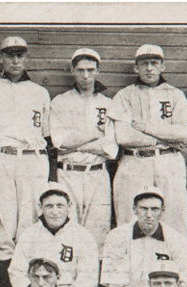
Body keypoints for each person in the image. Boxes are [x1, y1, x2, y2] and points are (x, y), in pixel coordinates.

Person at [0, 36, 52, 287]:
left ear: (26, 58)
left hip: (33, 158)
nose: (15, 60)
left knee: (31, 223)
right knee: (2, 226)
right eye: (10, 55)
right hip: (2, 158)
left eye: (20, 55)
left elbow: (46, 134)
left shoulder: (39, 92)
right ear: (1, 58)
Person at [107, 44, 187, 236]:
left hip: (168, 161)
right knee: (130, 218)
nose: (149, 68)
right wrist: (166, 137)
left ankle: (174, 266)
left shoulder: (174, 95)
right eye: (144, 63)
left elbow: (183, 134)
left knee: (173, 217)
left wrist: (146, 128)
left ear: (162, 67)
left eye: (154, 63)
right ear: (136, 68)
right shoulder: (124, 95)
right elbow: (123, 137)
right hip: (134, 162)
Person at [50, 48, 118, 250]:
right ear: (73, 70)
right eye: (80, 70)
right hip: (68, 173)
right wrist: (95, 134)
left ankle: (92, 281)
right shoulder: (60, 102)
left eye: (90, 70)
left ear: (98, 70)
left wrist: (77, 142)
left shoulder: (107, 104)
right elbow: (60, 142)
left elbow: (110, 148)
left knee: (97, 232)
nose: (86, 75)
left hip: (97, 173)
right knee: (68, 230)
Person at [8, 184, 100, 287]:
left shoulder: (83, 236)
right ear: (41, 207)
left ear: (69, 206)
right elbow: (16, 272)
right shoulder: (29, 234)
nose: (55, 212)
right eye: (49, 206)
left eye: (60, 206)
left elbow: (88, 278)